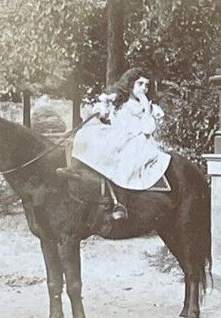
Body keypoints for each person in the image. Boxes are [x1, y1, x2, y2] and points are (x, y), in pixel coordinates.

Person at [70, 68, 171, 220]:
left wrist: (146, 105)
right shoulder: (118, 103)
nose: (144, 88)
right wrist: (103, 108)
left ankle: (120, 203)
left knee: (126, 157)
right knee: (88, 136)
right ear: (130, 85)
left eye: (147, 85)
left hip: (139, 141)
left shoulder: (148, 107)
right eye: (140, 84)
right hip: (118, 138)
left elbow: (148, 129)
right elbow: (105, 118)